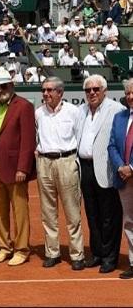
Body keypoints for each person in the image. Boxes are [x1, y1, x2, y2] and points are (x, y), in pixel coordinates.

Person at [35, 77, 85, 271]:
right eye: (44, 90)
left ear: (60, 93)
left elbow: (80, 137)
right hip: (44, 162)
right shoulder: (38, 113)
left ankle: (77, 254)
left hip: (67, 161)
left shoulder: (74, 112)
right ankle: (52, 253)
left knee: (72, 211)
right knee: (48, 212)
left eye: (50, 90)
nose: (46, 94)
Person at [0, 68, 36, 266]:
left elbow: (28, 140)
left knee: (19, 209)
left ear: (11, 85)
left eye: (3, 86)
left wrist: (23, 168)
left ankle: (22, 249)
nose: (0, 90)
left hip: (15, 168)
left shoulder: (23, 106)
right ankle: (4, 246)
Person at [77, 74, 124, 273]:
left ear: (104, 90)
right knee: (92, 214)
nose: (92, 93)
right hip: (85, 168)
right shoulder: (81, 111)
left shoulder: (117, 110)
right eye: (88, 90)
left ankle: (110, 257)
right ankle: (96, 253)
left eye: (96, 89)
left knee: (109, 216)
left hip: (106, 169)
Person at [109, 78, 133, 279]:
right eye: (127, 94)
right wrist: (121, 167)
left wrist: (132, 167)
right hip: (124, 178)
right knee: (129, 222)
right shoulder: (120, 117)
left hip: (130, 172)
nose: (130, 97)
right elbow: (112, 146)